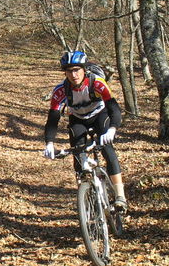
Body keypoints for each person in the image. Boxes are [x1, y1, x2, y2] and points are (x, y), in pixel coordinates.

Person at [43, 50, 127, 211]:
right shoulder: (60, 90)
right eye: (69, 71)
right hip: (78, 119)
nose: (73, 75)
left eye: (77, 70)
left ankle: (120, 196)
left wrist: (112, 129)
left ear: (84, 69)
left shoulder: (97, 83)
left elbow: (114, 108)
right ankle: (86, 196)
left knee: (107, 149)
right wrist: (49, 143)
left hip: (100, 115)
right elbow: (53, 119)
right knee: (78, 156)